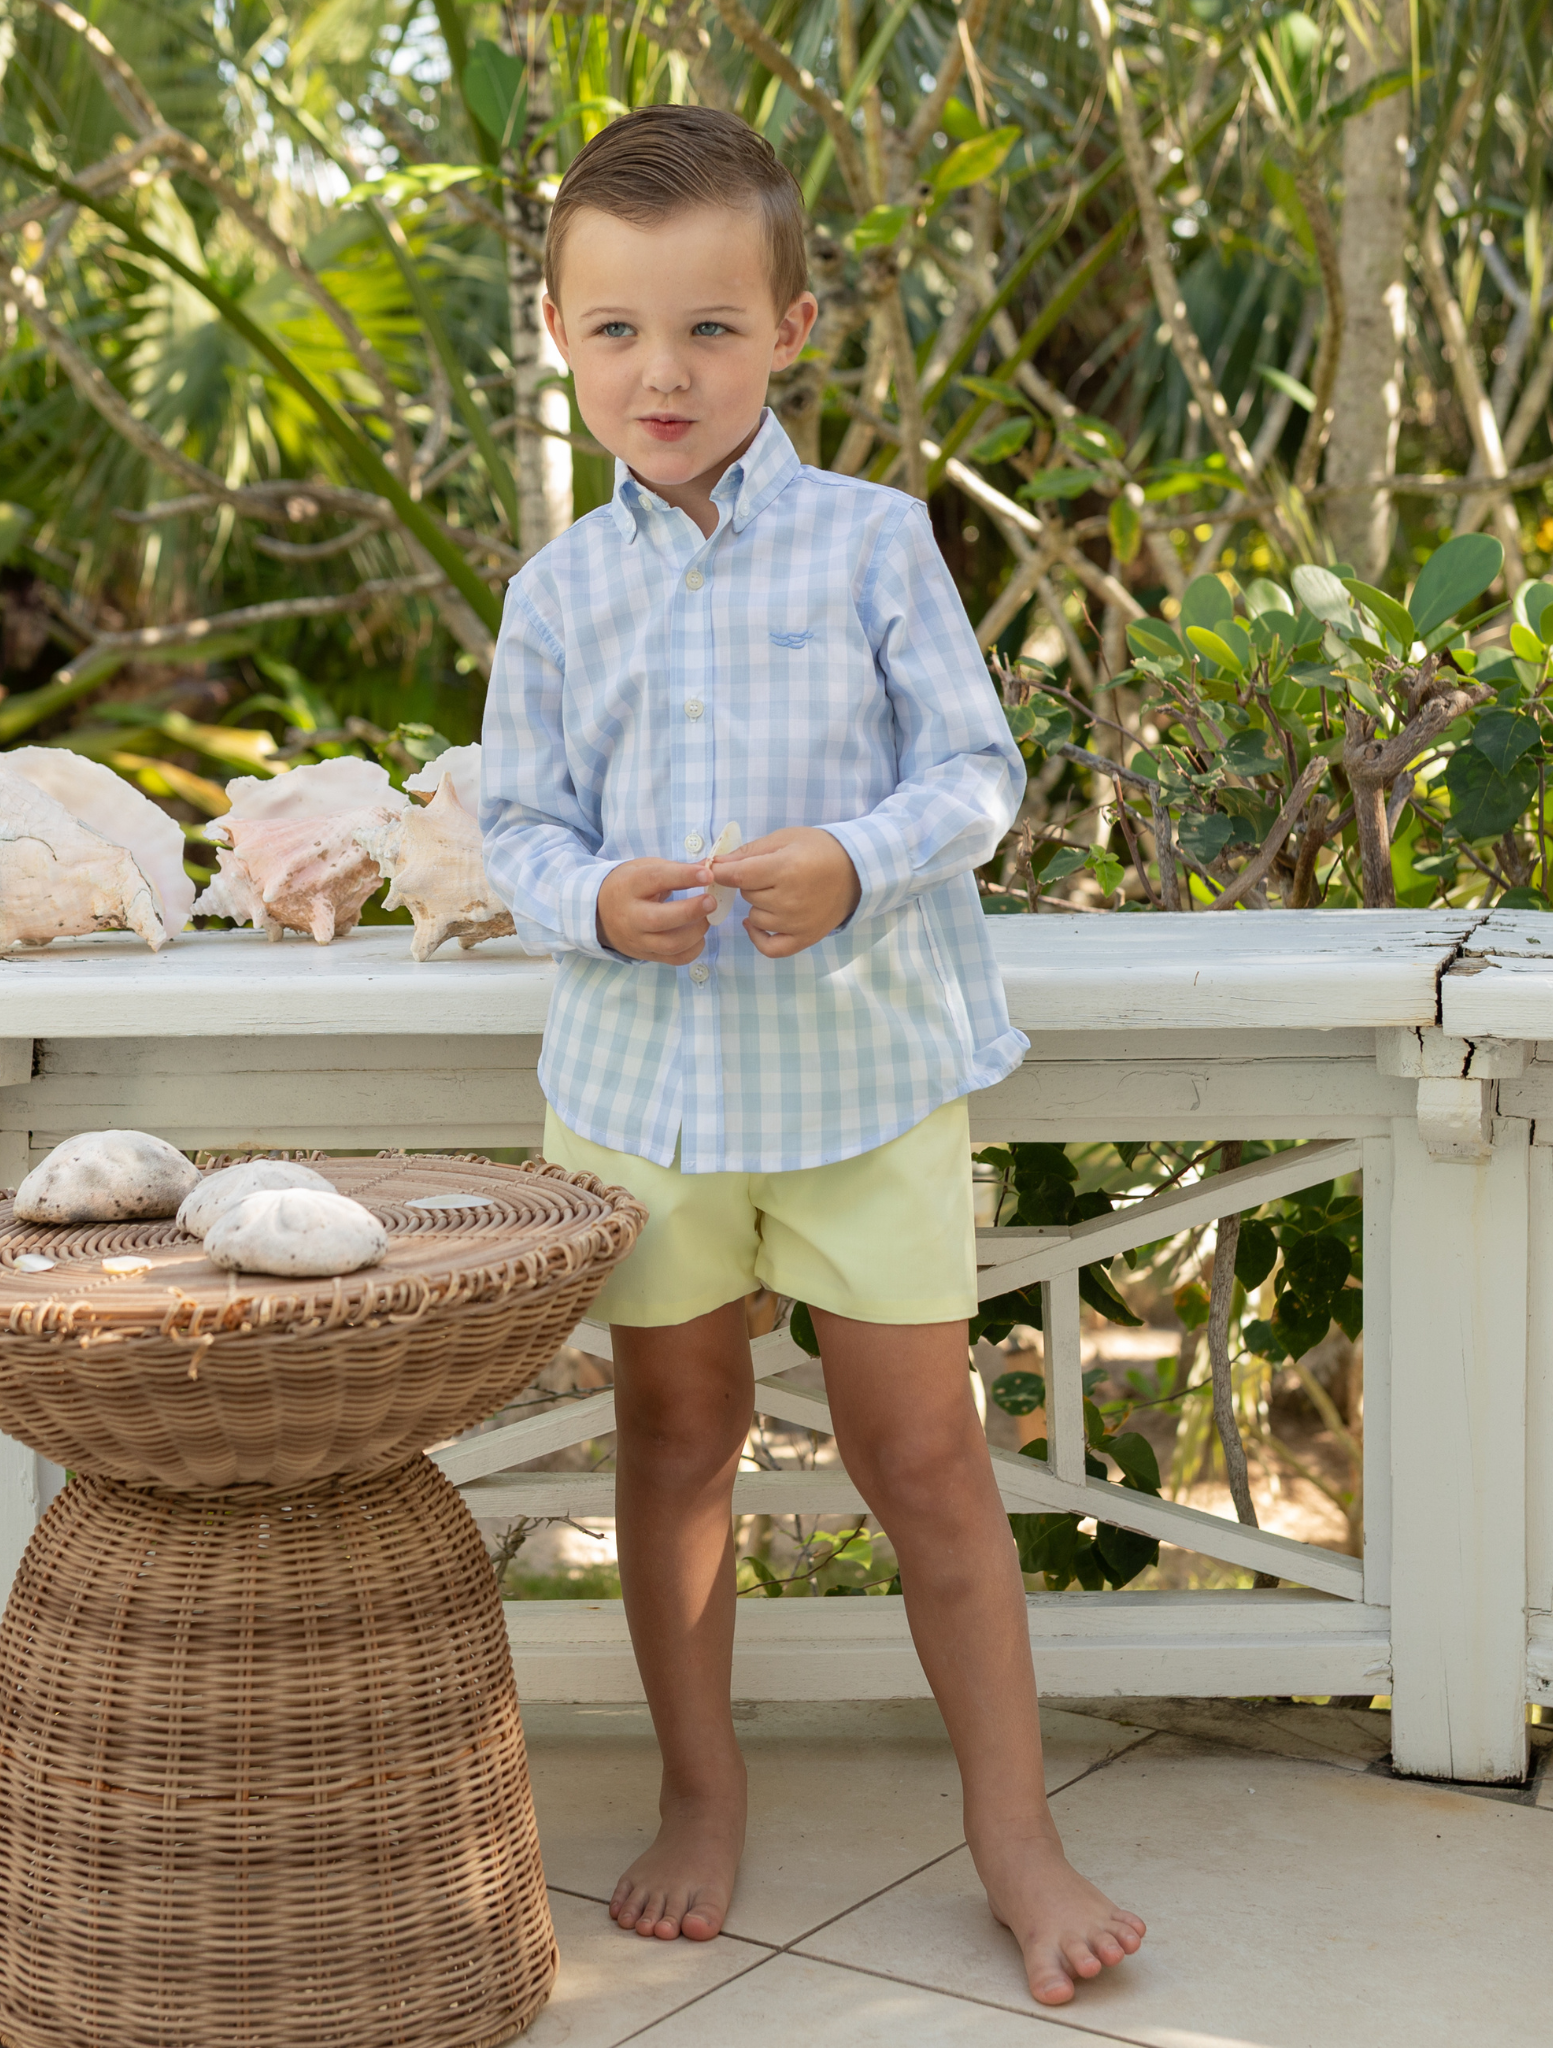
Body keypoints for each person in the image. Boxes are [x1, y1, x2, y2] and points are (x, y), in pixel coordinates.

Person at [479, 103, 1145, 2007]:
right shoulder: (557, 597)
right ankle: (704, 1792)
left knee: (923, 1457)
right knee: (670, 1443)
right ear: (556, 334)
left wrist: (853, 859)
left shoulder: (874, 544)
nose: (660, 370)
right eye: (614, 329)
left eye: (707, 326)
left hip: (860, 1083)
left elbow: (980, 774)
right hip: (643, 1098)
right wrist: (595, 898)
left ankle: (1016, 1838)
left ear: (795, 329)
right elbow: (517, 824)